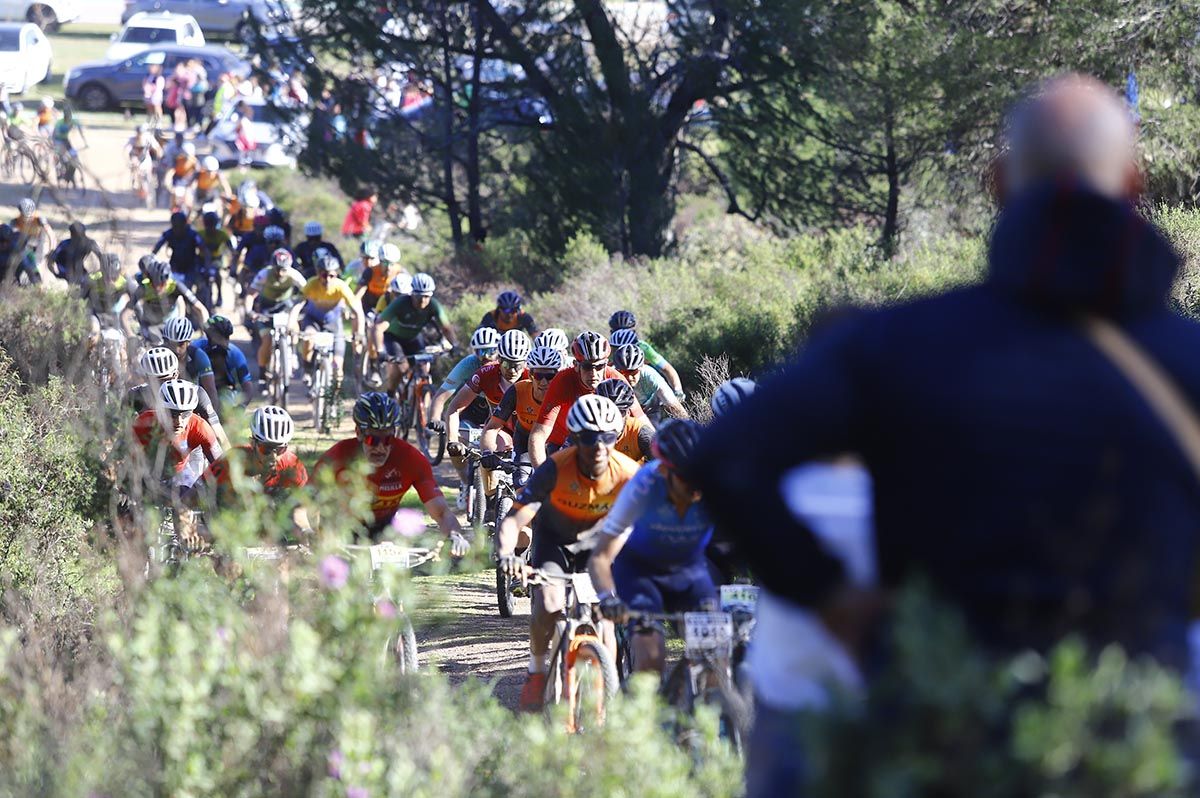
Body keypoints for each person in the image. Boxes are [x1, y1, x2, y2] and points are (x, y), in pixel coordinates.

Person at [683, 74, 1200, 797]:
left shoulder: (898, 345)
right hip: (1142, 749)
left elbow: (729, 455)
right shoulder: (1187, 361)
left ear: (996, 185)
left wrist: (834, 598)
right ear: (1134, 183)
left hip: (938, 742)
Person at [498, 395, 639, 711]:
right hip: (555, 543)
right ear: (575, 438)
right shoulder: (555, 468)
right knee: (549, 604)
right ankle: (536, 671)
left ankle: (607, 691)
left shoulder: (628, 472)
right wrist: (507, 553)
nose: (600, 446)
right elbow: (516, 518)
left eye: (608, 437)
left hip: (598, 550)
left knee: (606, 615)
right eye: (590, 438)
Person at [589, 420, 714, 676]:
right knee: (651, 659)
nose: (695, 488)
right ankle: (648, 712)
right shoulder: (642, 487)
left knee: (714, 658)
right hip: (640, 572)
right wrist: (606, 598)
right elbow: (601, 556)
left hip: (690, 570)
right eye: (686, 478)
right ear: (664, 471)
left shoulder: (714, 482)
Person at [313, 392, 470, 552]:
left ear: (394, 433)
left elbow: (442, 513)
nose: (380, 448)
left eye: (387, 439)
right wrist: (309, 534)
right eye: (372, 440)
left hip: (383, 531)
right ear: (358, 433)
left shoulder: (411, 459)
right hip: (339, 530)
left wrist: (455, 535)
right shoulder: (336, 457)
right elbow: (304, 507)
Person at [195, 405, 312, 540]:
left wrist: (306, 531)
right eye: (266, 449)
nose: (273, 457)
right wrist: (190, 527)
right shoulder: (233, 461)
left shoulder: (293, 467)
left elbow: (299, 511)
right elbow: (192, 496)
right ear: (253, 443)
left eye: (280, 449)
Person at [527, 330, 642, 467]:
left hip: (605, 441)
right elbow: (538, 435)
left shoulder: (616, 380)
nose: (593, 373)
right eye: (587, 367)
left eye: (599, 367)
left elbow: (642, 421)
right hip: (562, 439)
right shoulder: (562, 381)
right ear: (576, 365)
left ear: (606, 364)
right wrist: (542, 475)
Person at [481, 345, 563, 486]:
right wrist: (487, 453)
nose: (544, 382)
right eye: (538, 376)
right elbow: (492, 427)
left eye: (550, 376)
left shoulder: (565, 394)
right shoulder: (517, 390)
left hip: (556, 443)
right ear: (530, 374)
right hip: (524, 440)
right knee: (521, 485)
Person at [130, 345, 229, 449]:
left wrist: (232, 461)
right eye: (155, 381)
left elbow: (217, 431)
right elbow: (122, 434)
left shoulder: (195, 393)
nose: (161, 385)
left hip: (189, 449)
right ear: (145, 378)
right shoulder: (135, 395)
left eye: (166, 379)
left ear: (176, 375)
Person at [373, 272, 457, 393]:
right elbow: (379, 327)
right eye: (418, 296)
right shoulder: (400, 303)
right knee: (401, 367)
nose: (422, 300)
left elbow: (446, 328)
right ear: (412, 294)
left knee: (424, 370)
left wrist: (455, 344)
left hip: (413, 338)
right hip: (394, 338)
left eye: (426, 296)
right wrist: (379, 350)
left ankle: (422, 402)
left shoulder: (433, 305)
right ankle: (390, 395)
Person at [132, 378, 222, 490]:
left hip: (180, 473)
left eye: (186, 414)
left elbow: (222, 467)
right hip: (146, 472)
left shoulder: (200, 427)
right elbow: (120, 458)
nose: (179, 421)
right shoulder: (142, 424)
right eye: (172, 414)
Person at [297, 255, 365, 389]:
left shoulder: (341, 287)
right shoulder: (311, 284)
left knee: (338, 366)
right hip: (313, 321)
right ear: (318, 274)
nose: (327, 279)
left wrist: (360, 333)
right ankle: (307, 369)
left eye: (332, 276)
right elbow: (298, 305)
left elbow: (357, 311)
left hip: (334, 324)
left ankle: (334, 399)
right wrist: (291, 323)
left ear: (336, 275)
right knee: (308, 339)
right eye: (324, 275)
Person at [245, 248, 307, 382]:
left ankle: (293, 352)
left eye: (283, 269)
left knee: (293, 327)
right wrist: (249, 310)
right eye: (277, 269)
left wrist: (298, 308)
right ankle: (262, 374)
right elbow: (251, 294)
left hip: (285, 307)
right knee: (266, 341)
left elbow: (307, 292)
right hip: (266, 309)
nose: (280, 273)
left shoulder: (294, 274)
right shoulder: (264, 274)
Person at [129, 256, 208, 341]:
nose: (158, 288)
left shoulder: (174, 284)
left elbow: (198, 308)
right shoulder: (142, 283)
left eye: (161, 285)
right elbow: (127, 310)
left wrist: (206, 333)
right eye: (155, 284)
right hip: (152, 322)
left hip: (170, 319)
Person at [608, 311, 684, 396]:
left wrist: (678, 390)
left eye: (627, 331)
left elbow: (666, 368)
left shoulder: (643, 347)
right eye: (617, 331)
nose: (622, 335)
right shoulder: (608, 347)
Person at [162, 316, 221, 417]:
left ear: (188, 342)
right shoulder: (158, 355)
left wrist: (214, 419)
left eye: (181, 344)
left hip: (192, 405)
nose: (176, 349)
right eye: (172, 344)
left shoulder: (199, 356)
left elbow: (211, 390)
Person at [194, 315, 254, 410]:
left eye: (227, 337)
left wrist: (240, 408)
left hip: (224, 392)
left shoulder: (235, 354)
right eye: (221, 337)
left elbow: (247, 386)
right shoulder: (196, 348)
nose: (225, 341)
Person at [613, 343, 687, 419]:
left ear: (641, 367)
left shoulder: (650, 375)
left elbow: (673, 405)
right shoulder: (612, 376)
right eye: (624, 373)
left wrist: (690, 426)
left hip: (649, 408)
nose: (629, 377)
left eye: (633, 372)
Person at [595, 378, 654, 463]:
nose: (613, 418)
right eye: (607, 412)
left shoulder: (640, 432)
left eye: (620, 412)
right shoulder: (585, 429)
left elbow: (663, 467)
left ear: (628, 412)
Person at [81, 253, 134, 345]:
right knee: (94, 332)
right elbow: (79, 298)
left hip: (115, 311)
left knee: (124, 342)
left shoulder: (125, 280)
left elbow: (136, 298)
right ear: (102, 273)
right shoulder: (92, 279)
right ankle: (87, 355)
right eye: (108, 278)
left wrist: (128, 313)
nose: (111, 282)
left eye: (114, 278)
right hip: (95, 311)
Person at [151, 211, 207, 288]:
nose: (177, 229)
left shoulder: (193, 234)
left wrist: (206, 265)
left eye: (179, 226)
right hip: (174, 266)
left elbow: (204, 249)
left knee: (193, 287)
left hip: (191, 267)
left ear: (184, 224)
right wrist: (151, 259)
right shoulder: (169, 233)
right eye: (175, 226)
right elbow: (157, 247)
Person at [9, 197, 54, 285]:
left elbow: (50, 234)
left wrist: (51, 249)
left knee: (37, 266)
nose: (28, 219)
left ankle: (40, 284)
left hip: (37, 243)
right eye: (25, 216)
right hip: (24, 244)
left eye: (30, 216)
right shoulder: (15, 221)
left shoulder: (39, 219)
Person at [49, 221, 102, 286]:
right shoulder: (65, 244)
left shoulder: (88, 243)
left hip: (77, 272)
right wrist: (57, 274)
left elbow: (101, 256)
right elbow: (51, 258)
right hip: (66, 271)